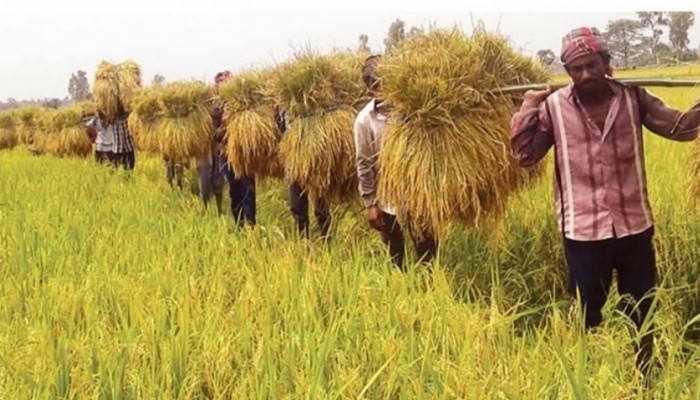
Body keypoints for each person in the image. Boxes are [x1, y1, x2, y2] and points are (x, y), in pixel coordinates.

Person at [510, 26, 700, 380]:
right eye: (576, 69)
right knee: (585, 311)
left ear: (607, 64)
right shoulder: (552, 108)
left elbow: (681, 129)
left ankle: (645, 374)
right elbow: (524, 155)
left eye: (592, 65)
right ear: (567, 73)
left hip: (634, 226)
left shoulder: (634, 99)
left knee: (641, 306)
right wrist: (528, 106)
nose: (585, 75)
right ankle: (586, 376)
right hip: (582, 232)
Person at [354, 54, 438, 270]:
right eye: (376, 84)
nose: (382, 87)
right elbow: (363, 164)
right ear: (369, 88)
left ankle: (429, 296)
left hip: (418, 195)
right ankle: (400, 295)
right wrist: (370, 204)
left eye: (385, 80)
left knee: (427, 253)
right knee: (395, 256)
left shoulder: (412, 109)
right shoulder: (364, 120)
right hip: (387, 199)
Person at [277, 104, 332, 240]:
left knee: (321, 203)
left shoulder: (314, 103)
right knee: (296, 204)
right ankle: (304, 242)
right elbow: (282, 131)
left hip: (315, 157)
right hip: (293, 158)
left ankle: (327, 239)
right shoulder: (284, 106)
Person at [111, 106, 135, 170]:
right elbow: (103, 121)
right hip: (117, 150)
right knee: (114, 170)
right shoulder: (112, 118)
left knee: (130, 169)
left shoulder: (129, 117)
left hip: (128, 148)